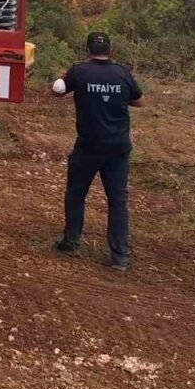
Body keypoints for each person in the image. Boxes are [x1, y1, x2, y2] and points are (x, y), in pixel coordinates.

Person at [50, 30, 143, 271]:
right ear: (110, 50)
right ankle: (120, 258)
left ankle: (71, 242)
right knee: (117, 200)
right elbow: (138, 100)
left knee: (76, 193)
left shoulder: (78, 71)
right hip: (118, 148)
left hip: (89, 146)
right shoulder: (123, 73)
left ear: (88, 50)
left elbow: (57, 91)